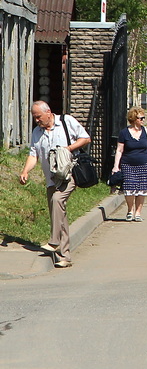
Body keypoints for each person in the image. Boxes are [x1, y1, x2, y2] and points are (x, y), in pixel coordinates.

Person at [18, 101, 92, 268]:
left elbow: (86, 138)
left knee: (57, 200)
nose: (37, 120)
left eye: (38, 117)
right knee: (59, 215)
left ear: (48, 112)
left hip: (69, 174)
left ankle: (53, 241)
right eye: (34, 117)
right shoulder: (37, 132)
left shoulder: (66, 122)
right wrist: (25, 171)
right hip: (51, 179)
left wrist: (68, 148)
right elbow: (33, 155)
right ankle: (64, 257)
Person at [111, 107, 147, 222]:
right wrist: (116, 166)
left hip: (145, 164)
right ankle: (130, 210)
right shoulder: (124, 133)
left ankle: (138, 212)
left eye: (143, 118)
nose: (143, 120)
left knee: (142, 190)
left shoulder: (146, 131)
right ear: (134, 119)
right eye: (141, 118)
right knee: (129, 188)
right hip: (128, 164)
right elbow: (119, 150)